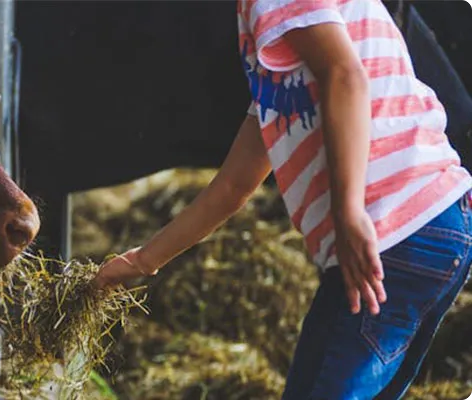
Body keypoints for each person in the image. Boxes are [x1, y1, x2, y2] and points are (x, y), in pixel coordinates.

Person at [93, 0, 472, 398]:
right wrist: (143, 261)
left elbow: (345, 75)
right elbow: (233, 186)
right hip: (431, 224)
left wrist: (349, 212)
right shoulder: (283, 47)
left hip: (391, 227)